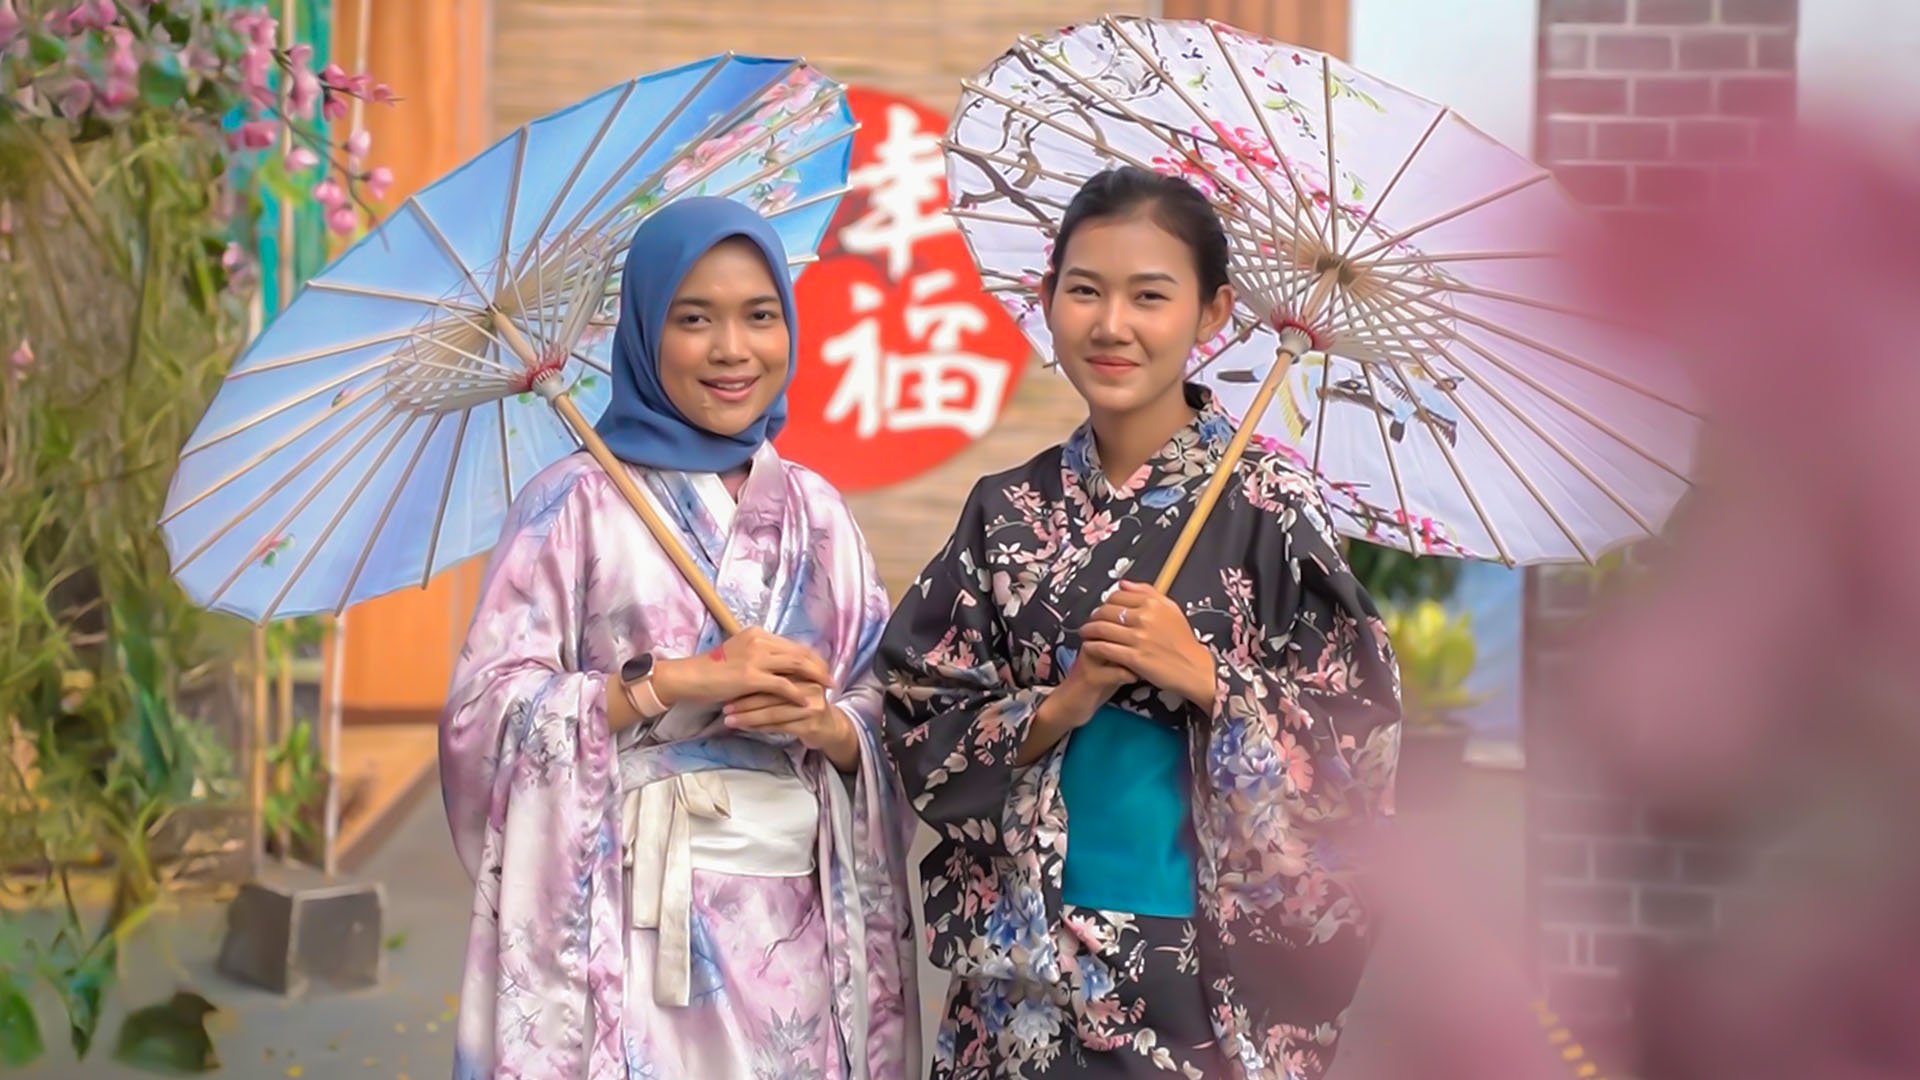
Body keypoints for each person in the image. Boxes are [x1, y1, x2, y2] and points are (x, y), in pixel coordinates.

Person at [875, 167, 1400, 1079]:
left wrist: (1207, 677)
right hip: (1025, 975)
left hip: (1196, 977)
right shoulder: (1005, 510)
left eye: (1150, 296)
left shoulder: (1273, 509)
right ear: (1048, 298)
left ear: (1212, 312)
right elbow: (916, 710)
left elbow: (1362, 739)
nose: (1112, 325)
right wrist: (1062, 703)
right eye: (1085, 291)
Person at [441, 197, 919, 1080]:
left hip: (794, 945)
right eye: (694, 319)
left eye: (761, 316)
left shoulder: (819, 514)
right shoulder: (572, 503)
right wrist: (676, 681)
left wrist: (830, 728)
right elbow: (485, 714)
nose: (733, 349)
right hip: (621, 933)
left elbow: (888, 707)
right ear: (645, 331)